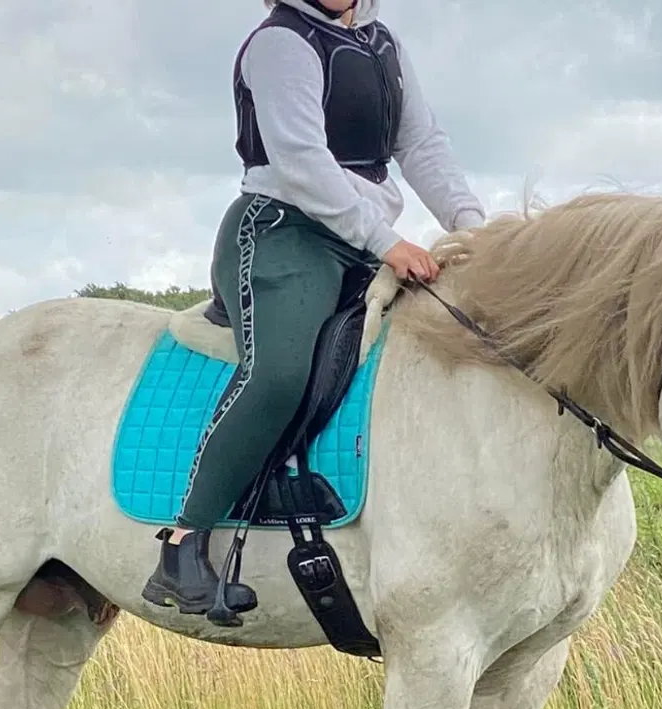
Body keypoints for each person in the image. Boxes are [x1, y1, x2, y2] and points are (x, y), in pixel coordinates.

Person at [141, 0, 486, 617]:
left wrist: (474, 226)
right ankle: (183, 543)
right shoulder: (280, 44)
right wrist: (389, 243)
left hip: (361, 237)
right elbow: (300, 162)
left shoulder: (384, 46)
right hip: (282, 232)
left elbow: (423, 144)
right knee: (280, 375)